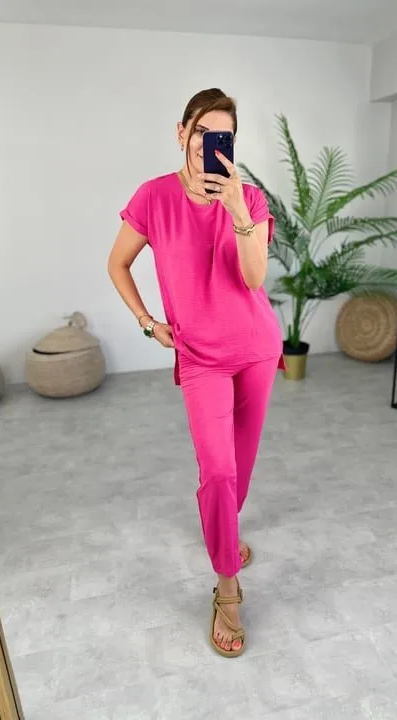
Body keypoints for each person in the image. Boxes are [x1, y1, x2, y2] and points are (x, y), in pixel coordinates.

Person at [107, 88, 285, 658]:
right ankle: (227, 588)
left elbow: (253, 279)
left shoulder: (249, 199)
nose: (209, 142)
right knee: (218, 470)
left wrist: (236, 210)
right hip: (200, 356)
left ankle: (226, 536)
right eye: (201, 130)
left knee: (241, 467)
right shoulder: (153, 196)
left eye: (222, 135)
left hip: (256, 347)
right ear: (181, 132)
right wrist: (147, 323)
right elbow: (118, 263)